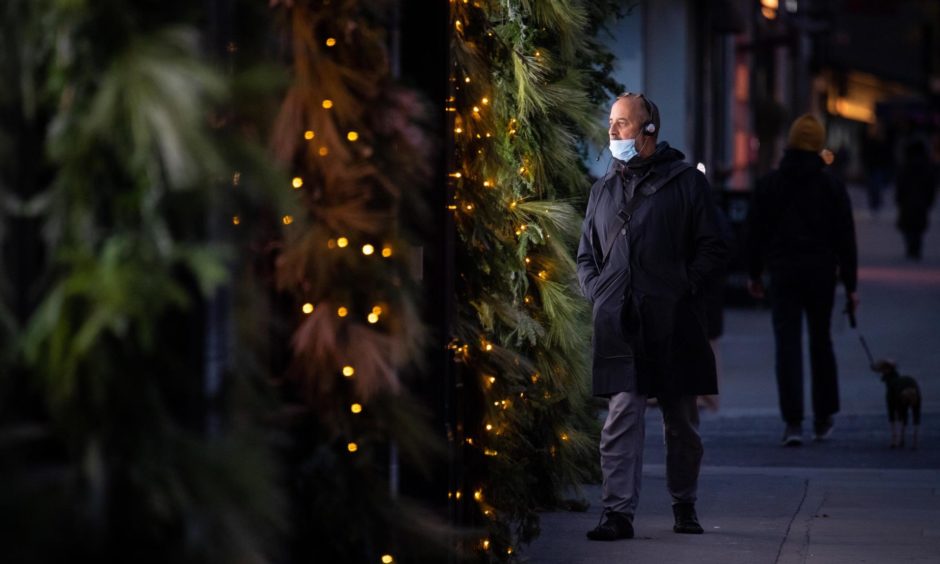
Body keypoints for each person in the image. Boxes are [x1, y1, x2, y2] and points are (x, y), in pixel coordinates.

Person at [576, 92, 728, 541]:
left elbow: (714, 246)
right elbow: (587, 255)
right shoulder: (602, 189)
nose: (612, 131)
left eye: (622, 123)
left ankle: (685, 503)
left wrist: (683, 287)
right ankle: (617, 514)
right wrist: (597, 293)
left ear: (648, 131)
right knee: (621, 417)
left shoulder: (685, 182)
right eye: (611, 122)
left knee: (681, 422)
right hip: (620, 322)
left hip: (674, 322)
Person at [745, 114, 859, 447]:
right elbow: (846, 239)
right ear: (818, 145)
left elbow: (754, 234)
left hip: (783, 273)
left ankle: (793, 422)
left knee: (787, 345)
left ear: (790, 143)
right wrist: (851, 286)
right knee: (821, 341)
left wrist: (754, 273)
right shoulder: (832, 186)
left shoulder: (770, 184)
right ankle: (823, 417)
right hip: (821, 273)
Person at [894, 140, 937, 260]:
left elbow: (900, 184)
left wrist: (899, 198)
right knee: (918, 227)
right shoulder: (927, 167)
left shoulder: (905, 166)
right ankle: (915, 248)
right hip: (921, 202)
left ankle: (911, 248)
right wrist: (929, 200)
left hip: (907, 201)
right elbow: (931, 186)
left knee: (908, 227)